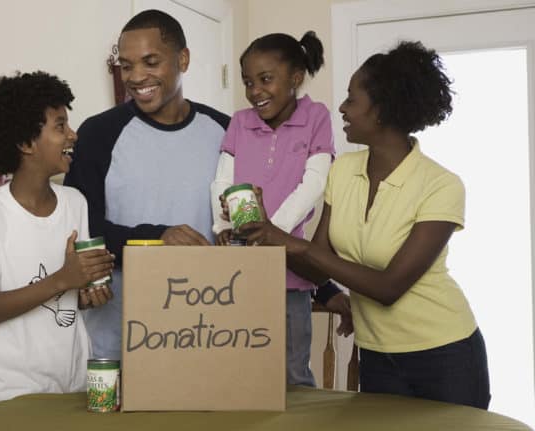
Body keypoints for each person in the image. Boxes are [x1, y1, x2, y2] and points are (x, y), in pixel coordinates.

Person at [239, 41, 490, 408]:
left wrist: (293, 243)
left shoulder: (441, 185)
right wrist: (265, 235)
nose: (340, 107)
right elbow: (315, 266)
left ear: (383, 111)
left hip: (444, 355)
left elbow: (389, 287)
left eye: (351, 99)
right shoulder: (343, 171)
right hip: (376, 355)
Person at [64, 9, 229, 360]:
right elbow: (80, 230)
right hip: (118, 338)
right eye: (126, 66)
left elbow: (251, 227)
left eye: (150, 62)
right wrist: (157, 238)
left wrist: (319, 289)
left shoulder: (227, 131)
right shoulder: (98, 133)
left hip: (207, 332)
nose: (137, 77)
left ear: (182, 59)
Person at [0, 71, 115, 405]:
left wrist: (90, 290)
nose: (73, 135)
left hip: (73, 386)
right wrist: (63, 279)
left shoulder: (75, 203)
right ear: (26, 143)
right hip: (9, 394)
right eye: (60, 126)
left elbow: (75, 295)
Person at [210, 31, 351, 387]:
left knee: (291, 374)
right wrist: (220, 223)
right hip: (237, 272)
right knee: (238, 371)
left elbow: (315, 182)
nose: (255, 90)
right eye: (247, 82)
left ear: (296, 78)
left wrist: (272, 231)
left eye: (265, 79)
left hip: (289, 274)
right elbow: (222, 180)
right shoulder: (240, 122)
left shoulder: (316, 116)